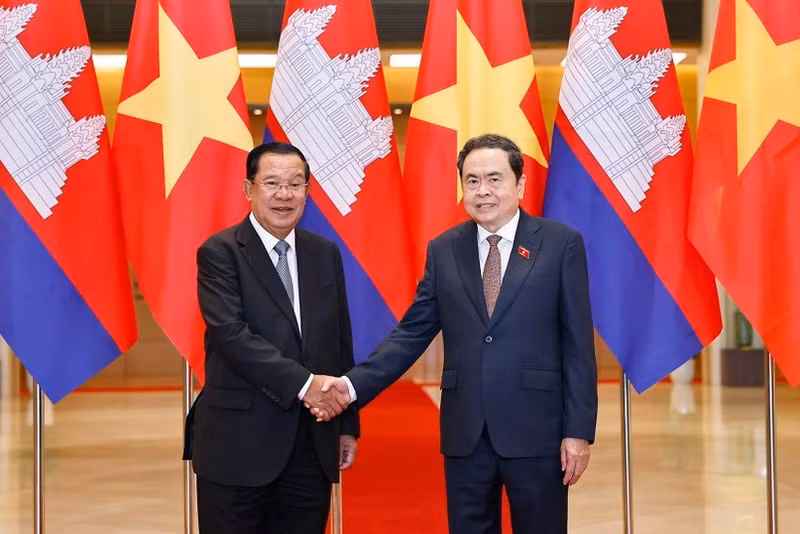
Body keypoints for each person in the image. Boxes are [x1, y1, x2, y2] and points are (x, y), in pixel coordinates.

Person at [319, 134, 597, 533]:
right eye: (472, 180)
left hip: (538, 430)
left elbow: (577, 346)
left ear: (520, 185)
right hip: (466, 432)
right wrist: (351, 386)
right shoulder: (445, 249)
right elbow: (411, 334)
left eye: (495, 179)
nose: (483, 191)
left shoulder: (559, 244)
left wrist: (577, 432)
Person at [183, 142, 359, 534]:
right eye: (272, 183)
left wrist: (346, 423)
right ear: (249, 189)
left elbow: (339, 339)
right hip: (238, 445)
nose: (285, 194)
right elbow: (232, 335)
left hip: (311, 442)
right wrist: (305, 385)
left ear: (307, 191)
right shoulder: (220, 252)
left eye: (296, 184)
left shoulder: (324, 252)